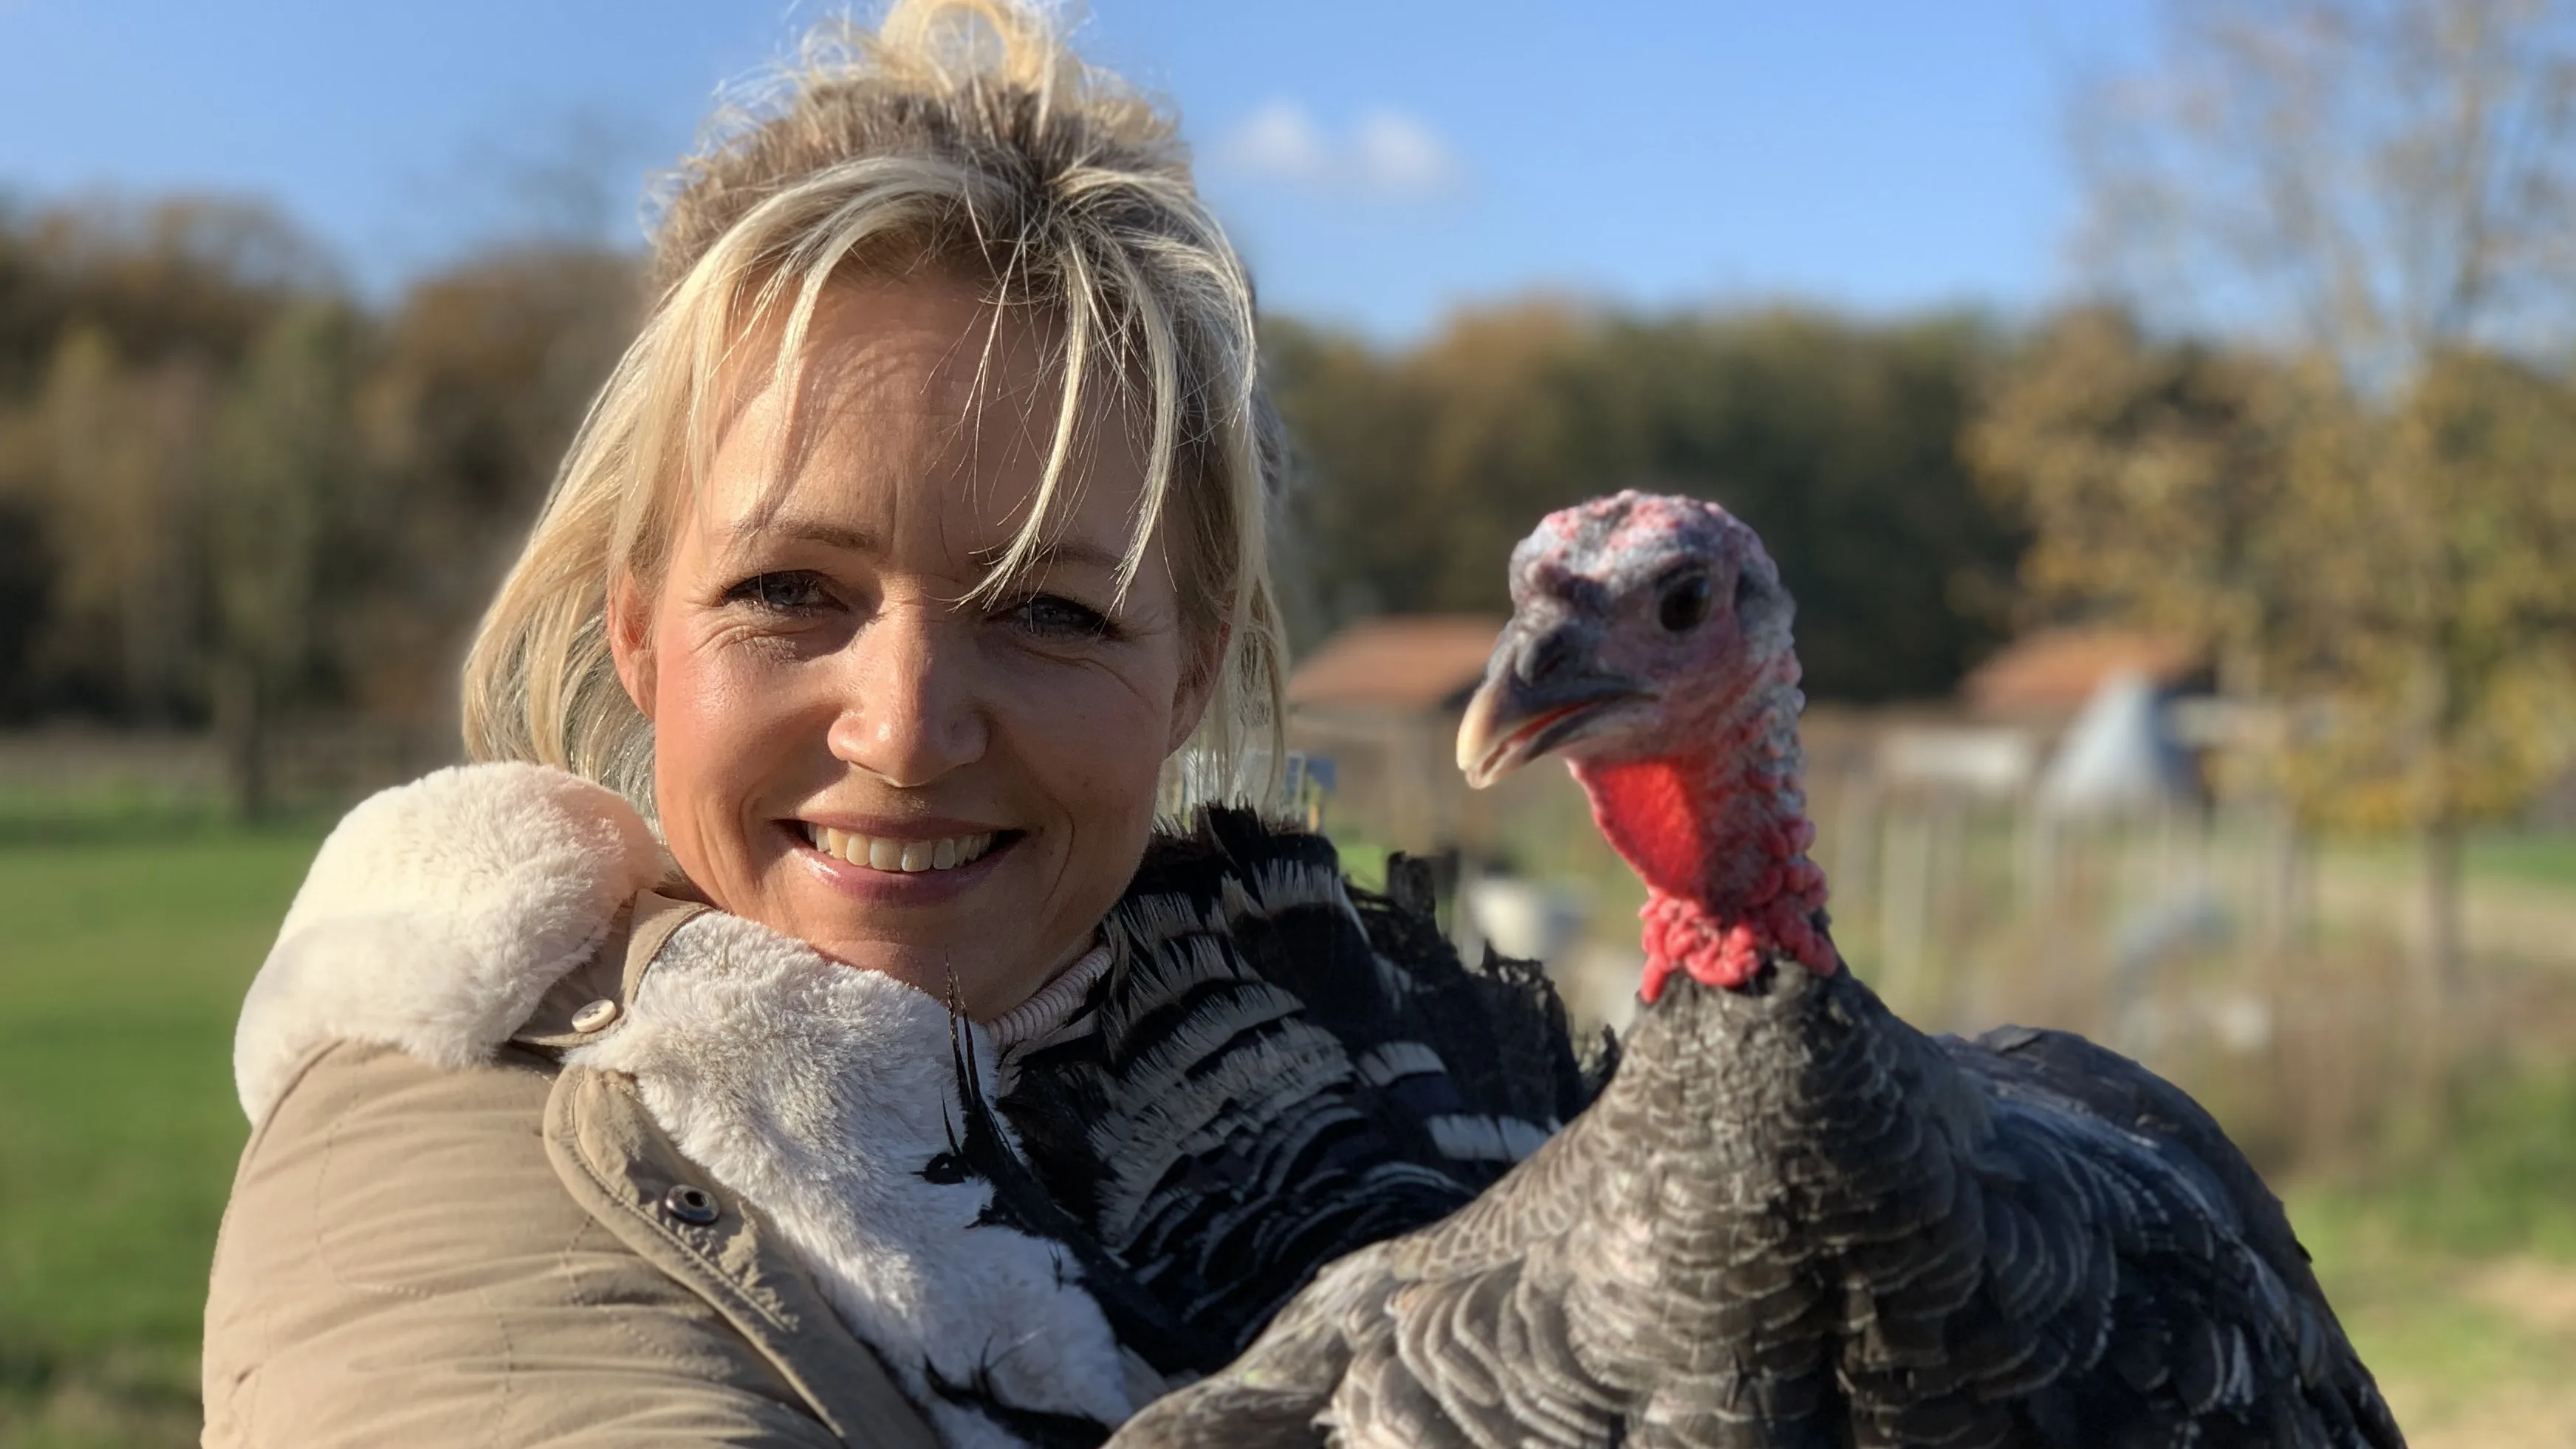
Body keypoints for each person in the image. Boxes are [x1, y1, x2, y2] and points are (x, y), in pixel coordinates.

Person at [199, 3, 1592, 1445]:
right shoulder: (437, 1141)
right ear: (639, 634)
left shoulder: (1401, 1086)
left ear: (1191, 673)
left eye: (1053, 612)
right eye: (789, 589)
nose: (907, 731)